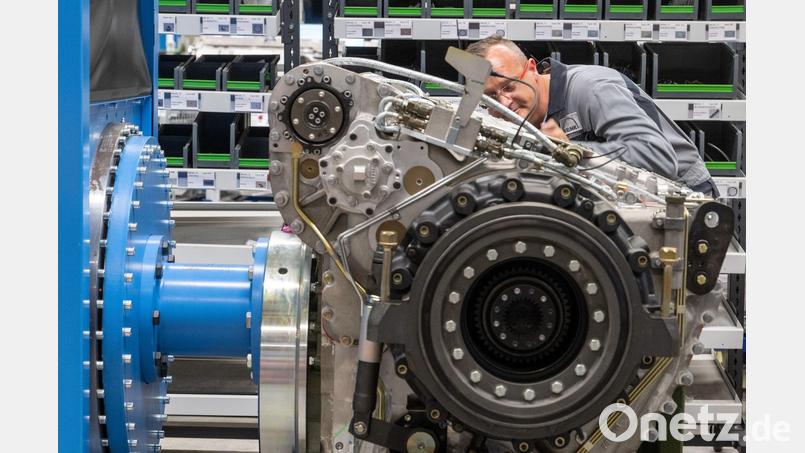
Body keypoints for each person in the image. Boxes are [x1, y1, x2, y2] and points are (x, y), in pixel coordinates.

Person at [465, 35, 717, 195]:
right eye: (490, 98)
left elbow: (659, 157)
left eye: (509, 86)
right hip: (627, 193)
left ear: (531, 68)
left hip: (684, 195)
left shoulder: (592, 89)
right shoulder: (511, 111)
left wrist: (572, 150)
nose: (504, 103)